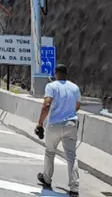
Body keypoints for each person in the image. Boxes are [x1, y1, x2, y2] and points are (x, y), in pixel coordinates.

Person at [36, 64, 81, 197]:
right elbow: (77, 105)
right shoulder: (75, 87)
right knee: (71, 156)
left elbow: (46, 105)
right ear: (66, 74)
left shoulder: (51, 86)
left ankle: (47, 179)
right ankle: (74, 188)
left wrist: (40, 123)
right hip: (71, 124)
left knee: (50, 152)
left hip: (55, 124)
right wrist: (69, 113)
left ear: (56, 73)